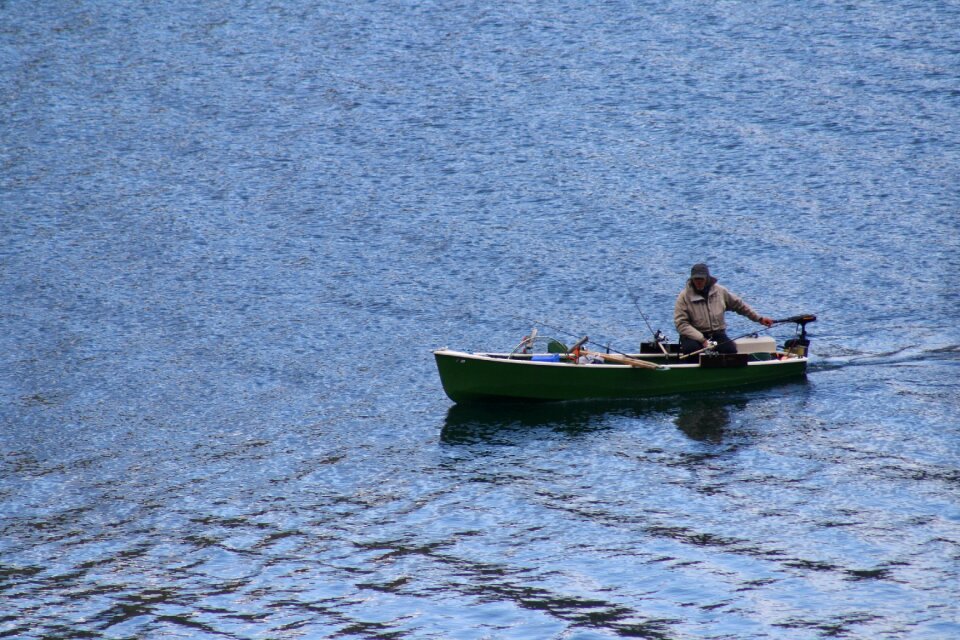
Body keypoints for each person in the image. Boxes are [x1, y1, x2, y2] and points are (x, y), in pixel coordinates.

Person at [674, 263, 774, 356]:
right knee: (692, 351)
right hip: (693, 336)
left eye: (701, 279)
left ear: (707, 279)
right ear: (692, 280)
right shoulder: (683, 297)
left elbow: (740, 306)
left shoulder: (720, 291)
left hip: (716, 334)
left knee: (731, 351)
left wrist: (759, 319)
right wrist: (702, 340)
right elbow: (681, 324)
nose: (698, 282)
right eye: (696, 279)